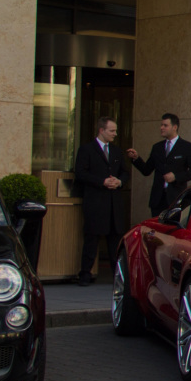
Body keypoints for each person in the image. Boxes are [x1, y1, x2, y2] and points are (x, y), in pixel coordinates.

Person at [74, 116, 128, 286]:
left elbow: (125, 173)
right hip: (95, 202)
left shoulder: (117, 151)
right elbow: (81, 173)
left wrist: (119, 182)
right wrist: (102, 182)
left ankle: (116, 276)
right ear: (101, 130)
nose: (115, 134)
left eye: (116, 130)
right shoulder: (87, 150)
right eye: (112, 131)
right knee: (91, 240)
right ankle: (85, 275)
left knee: (115, 243)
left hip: (114, 204)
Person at [127, 113, 191, 218]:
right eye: (161, 125)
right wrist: (136, 158)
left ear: (174, 127)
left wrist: (176, 176)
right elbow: (146, 170)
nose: (161, 128)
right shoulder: (157, 147)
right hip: (158, 200)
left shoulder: (186, 147)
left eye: (165, 125)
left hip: (175, 198)